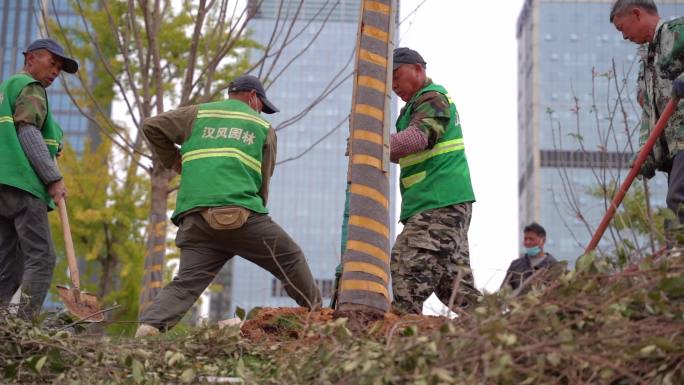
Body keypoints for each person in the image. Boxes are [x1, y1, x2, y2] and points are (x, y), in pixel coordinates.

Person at [136, 75, 322, 336]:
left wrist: (175, 161)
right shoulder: (262, 127)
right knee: (290, 258)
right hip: (242, 217)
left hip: (195, 220)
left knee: (186, 284)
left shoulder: (197, 114)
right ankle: (320, 315)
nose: (261, 111)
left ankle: (149, 328)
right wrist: (254, 218)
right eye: (261, 106)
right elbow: (263, 181)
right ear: (253, 98)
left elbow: (152, 126)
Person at [389, 47, 480, 314]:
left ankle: (402, 333)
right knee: (455, 288)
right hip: (439, 201)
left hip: (439, 200)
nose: (393, 85)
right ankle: (489, 331)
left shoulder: (432, 97)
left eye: (396, 75)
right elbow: (409, 151)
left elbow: (420, 137)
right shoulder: (411, 109)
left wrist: (373, 144)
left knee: (407, 264)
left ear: (418, 69)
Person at [0, 38, 77, 318]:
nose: (56, 71)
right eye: (52, 63)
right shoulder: (31, 88)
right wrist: (53, 178)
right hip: (23, 183)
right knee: (42, 259)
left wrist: (54, 141)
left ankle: (4, 328)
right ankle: (21, 327)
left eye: (59, 67)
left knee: (8, 264)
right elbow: (28, 131)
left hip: (3, 185)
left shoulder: (6, 88)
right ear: (31, 58)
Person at [611, 0, 684, 237]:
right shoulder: (647, 63)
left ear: (636, 13)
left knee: (678, 200)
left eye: (622, 28)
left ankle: (677, 257)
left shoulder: (677, 32)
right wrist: (645, 153)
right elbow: (648, 114)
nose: (623, 37)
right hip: (672, 147)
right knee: (674, 202)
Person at [500, 223, 559, 291]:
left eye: (531, 239)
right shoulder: (516, 265)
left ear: (543, 241)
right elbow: (503, 291)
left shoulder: (553, 266)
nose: (527, 242)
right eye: (525, 239)